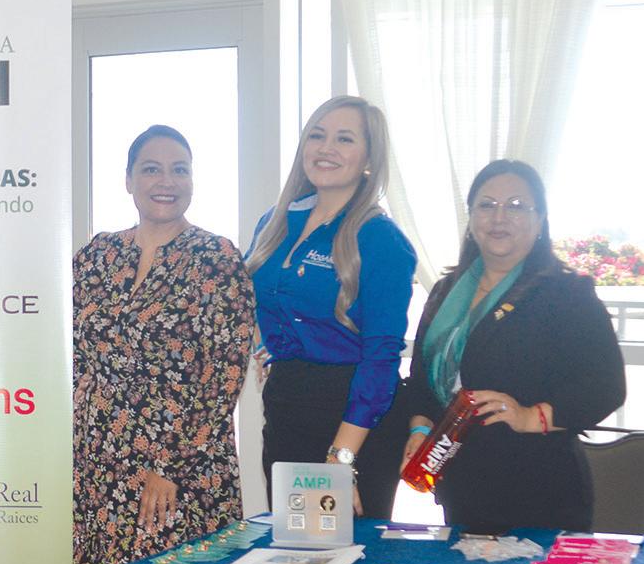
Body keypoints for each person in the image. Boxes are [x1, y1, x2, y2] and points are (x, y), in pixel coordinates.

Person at [73, 124, 255, 564]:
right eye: (151, 169)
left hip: (180, 461)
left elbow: (224, 376)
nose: (166, 181)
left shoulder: (216, 257)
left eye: (180, 170)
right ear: (128, 180)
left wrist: (168, 465)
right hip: (100, 459)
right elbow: (72, 354)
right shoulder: (97, 255)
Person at [397, 159, 624, 532]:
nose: (499, 217)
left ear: (540, 220)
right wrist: (420, 432)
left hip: (540, 485)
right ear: (471, 218)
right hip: (461, 483)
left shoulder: (567, 294)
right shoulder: (445, 292)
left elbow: (606, 387)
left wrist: (530, 416)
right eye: (486, 205)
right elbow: (422, 380)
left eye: (516, 206)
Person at [245, 96, 417, 519]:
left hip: (354, 419)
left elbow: (381, 358)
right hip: (288, 408)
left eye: (344, 139)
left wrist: (341, 459)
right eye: (317, 136)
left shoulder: (381, 239)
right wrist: (268, 350)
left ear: (369, 158)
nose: (326, 148)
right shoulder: (275, 221)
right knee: (292, 547)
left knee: (343, 550)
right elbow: (250, 299)